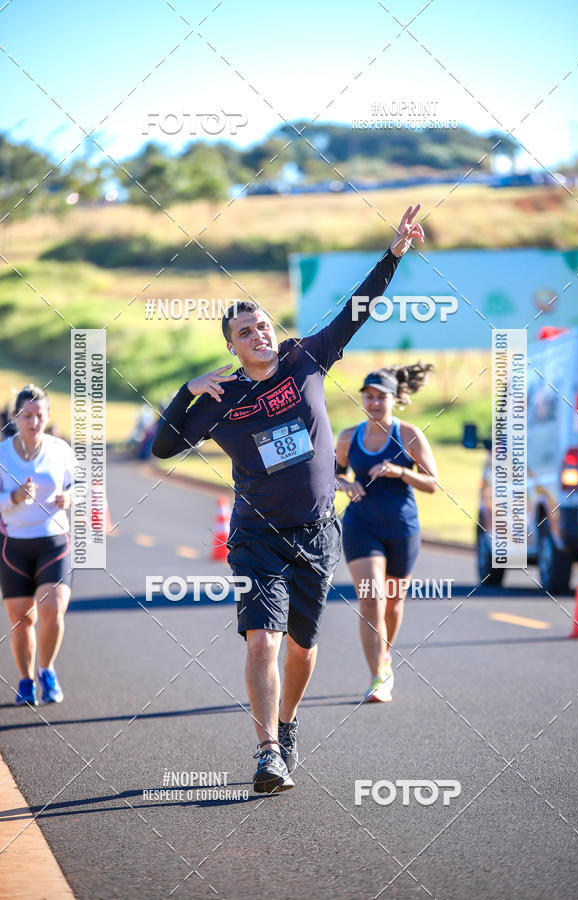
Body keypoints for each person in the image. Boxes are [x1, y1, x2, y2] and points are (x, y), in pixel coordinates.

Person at [152, 204, 425, 793]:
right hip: (258, 538)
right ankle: (267, 752)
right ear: (232, 346)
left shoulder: (306, 358)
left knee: (302, 649)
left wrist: (394, 255)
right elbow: (163, 448)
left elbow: (357, 311)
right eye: (245, 332)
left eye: (262, 325)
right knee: (264, 640)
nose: (259, 335)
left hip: (318, 533)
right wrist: (184, 392)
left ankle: (287, 723)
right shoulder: (219, 397)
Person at [335, 362, 438, 702]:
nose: (375, 403)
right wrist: (346, 484)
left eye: (382, 397)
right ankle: (378, 675)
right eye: (369, 397)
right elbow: (331, 475)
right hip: (360, 526)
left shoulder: (409, 435)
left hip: (401, 529)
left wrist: (400, 472)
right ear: (362, 399)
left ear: (395, 399)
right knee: (371, 601)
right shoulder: (349, 437)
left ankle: (386, 657)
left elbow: (432, 484)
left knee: (392, 603)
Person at [0, 385, 73, 706]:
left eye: (40, 415)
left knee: (52, 610)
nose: (34, 421)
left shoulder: (59, 450)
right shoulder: (2, 454)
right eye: (27, 415)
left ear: (47, 416)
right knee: (22, 620)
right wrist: (12, 498)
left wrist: (69, 497)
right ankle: (26, 680)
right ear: (16, 417)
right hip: (14, 545)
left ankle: (46, 669)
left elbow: (85, 489)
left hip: (53, 541)